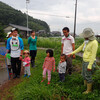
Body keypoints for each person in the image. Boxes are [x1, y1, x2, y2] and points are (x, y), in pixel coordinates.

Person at [68, 28, 98, 94]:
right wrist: (72, 53)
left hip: (90, 62)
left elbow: (93, 55)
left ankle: (89, 90)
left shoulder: (94, 43)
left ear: (88, 36)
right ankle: (85, 86)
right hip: (84, 61)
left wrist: (90, 66)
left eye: (84, 36)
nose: (84, 37)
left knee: (88, 76)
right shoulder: (86, 41)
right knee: (84, 74)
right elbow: (80, 48)